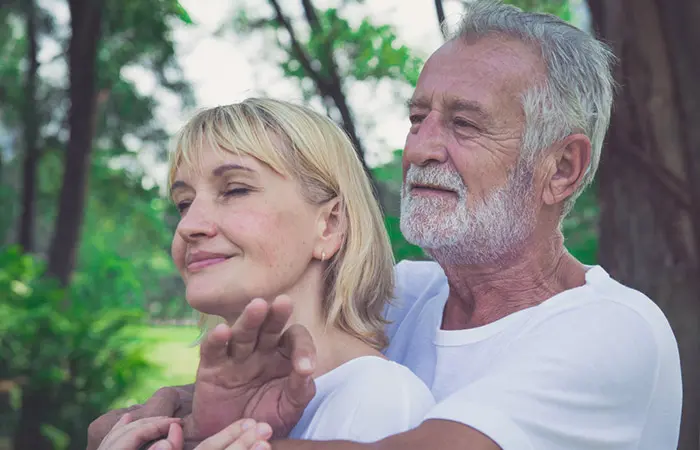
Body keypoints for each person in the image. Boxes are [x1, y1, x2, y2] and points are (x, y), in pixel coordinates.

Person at [88, 1, 683, 449]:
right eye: (417, 117)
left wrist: (192, 436)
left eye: (464, 124)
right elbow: (294, 374)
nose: (420, 147)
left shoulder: (612, 330)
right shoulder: (403, 295)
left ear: (562, 168)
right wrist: (173, 409)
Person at [90, 98, 435, 450]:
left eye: (235, 190)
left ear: (329, 225)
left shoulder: (379, 403)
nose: (189, 226)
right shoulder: (190, 415)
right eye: (184, 203)